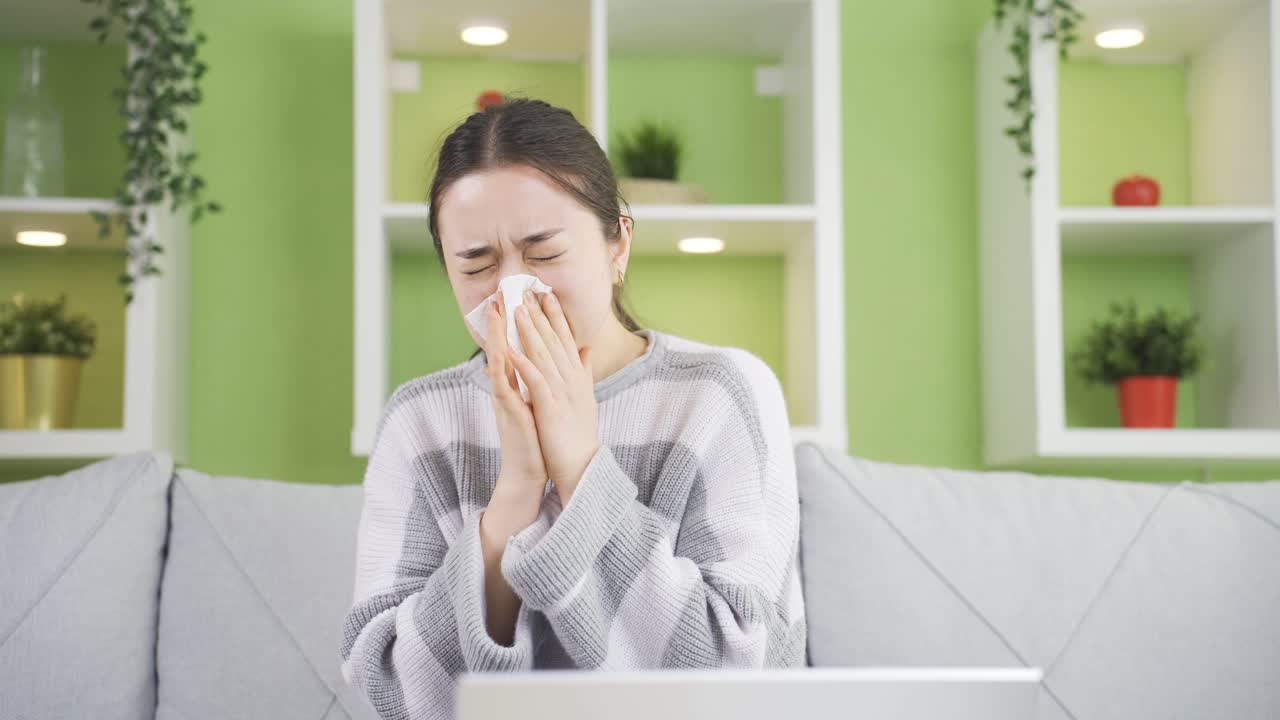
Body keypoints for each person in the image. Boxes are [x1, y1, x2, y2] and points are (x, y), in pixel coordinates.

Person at [339, 97, 806, 720]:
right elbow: (390, 694)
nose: (513, 291)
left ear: (618, 245)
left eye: (545, 254)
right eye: (476, 263)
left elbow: (746, 674)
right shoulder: (418, 423)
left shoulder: (721, 394)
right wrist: (516, 495)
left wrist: (581, 469)